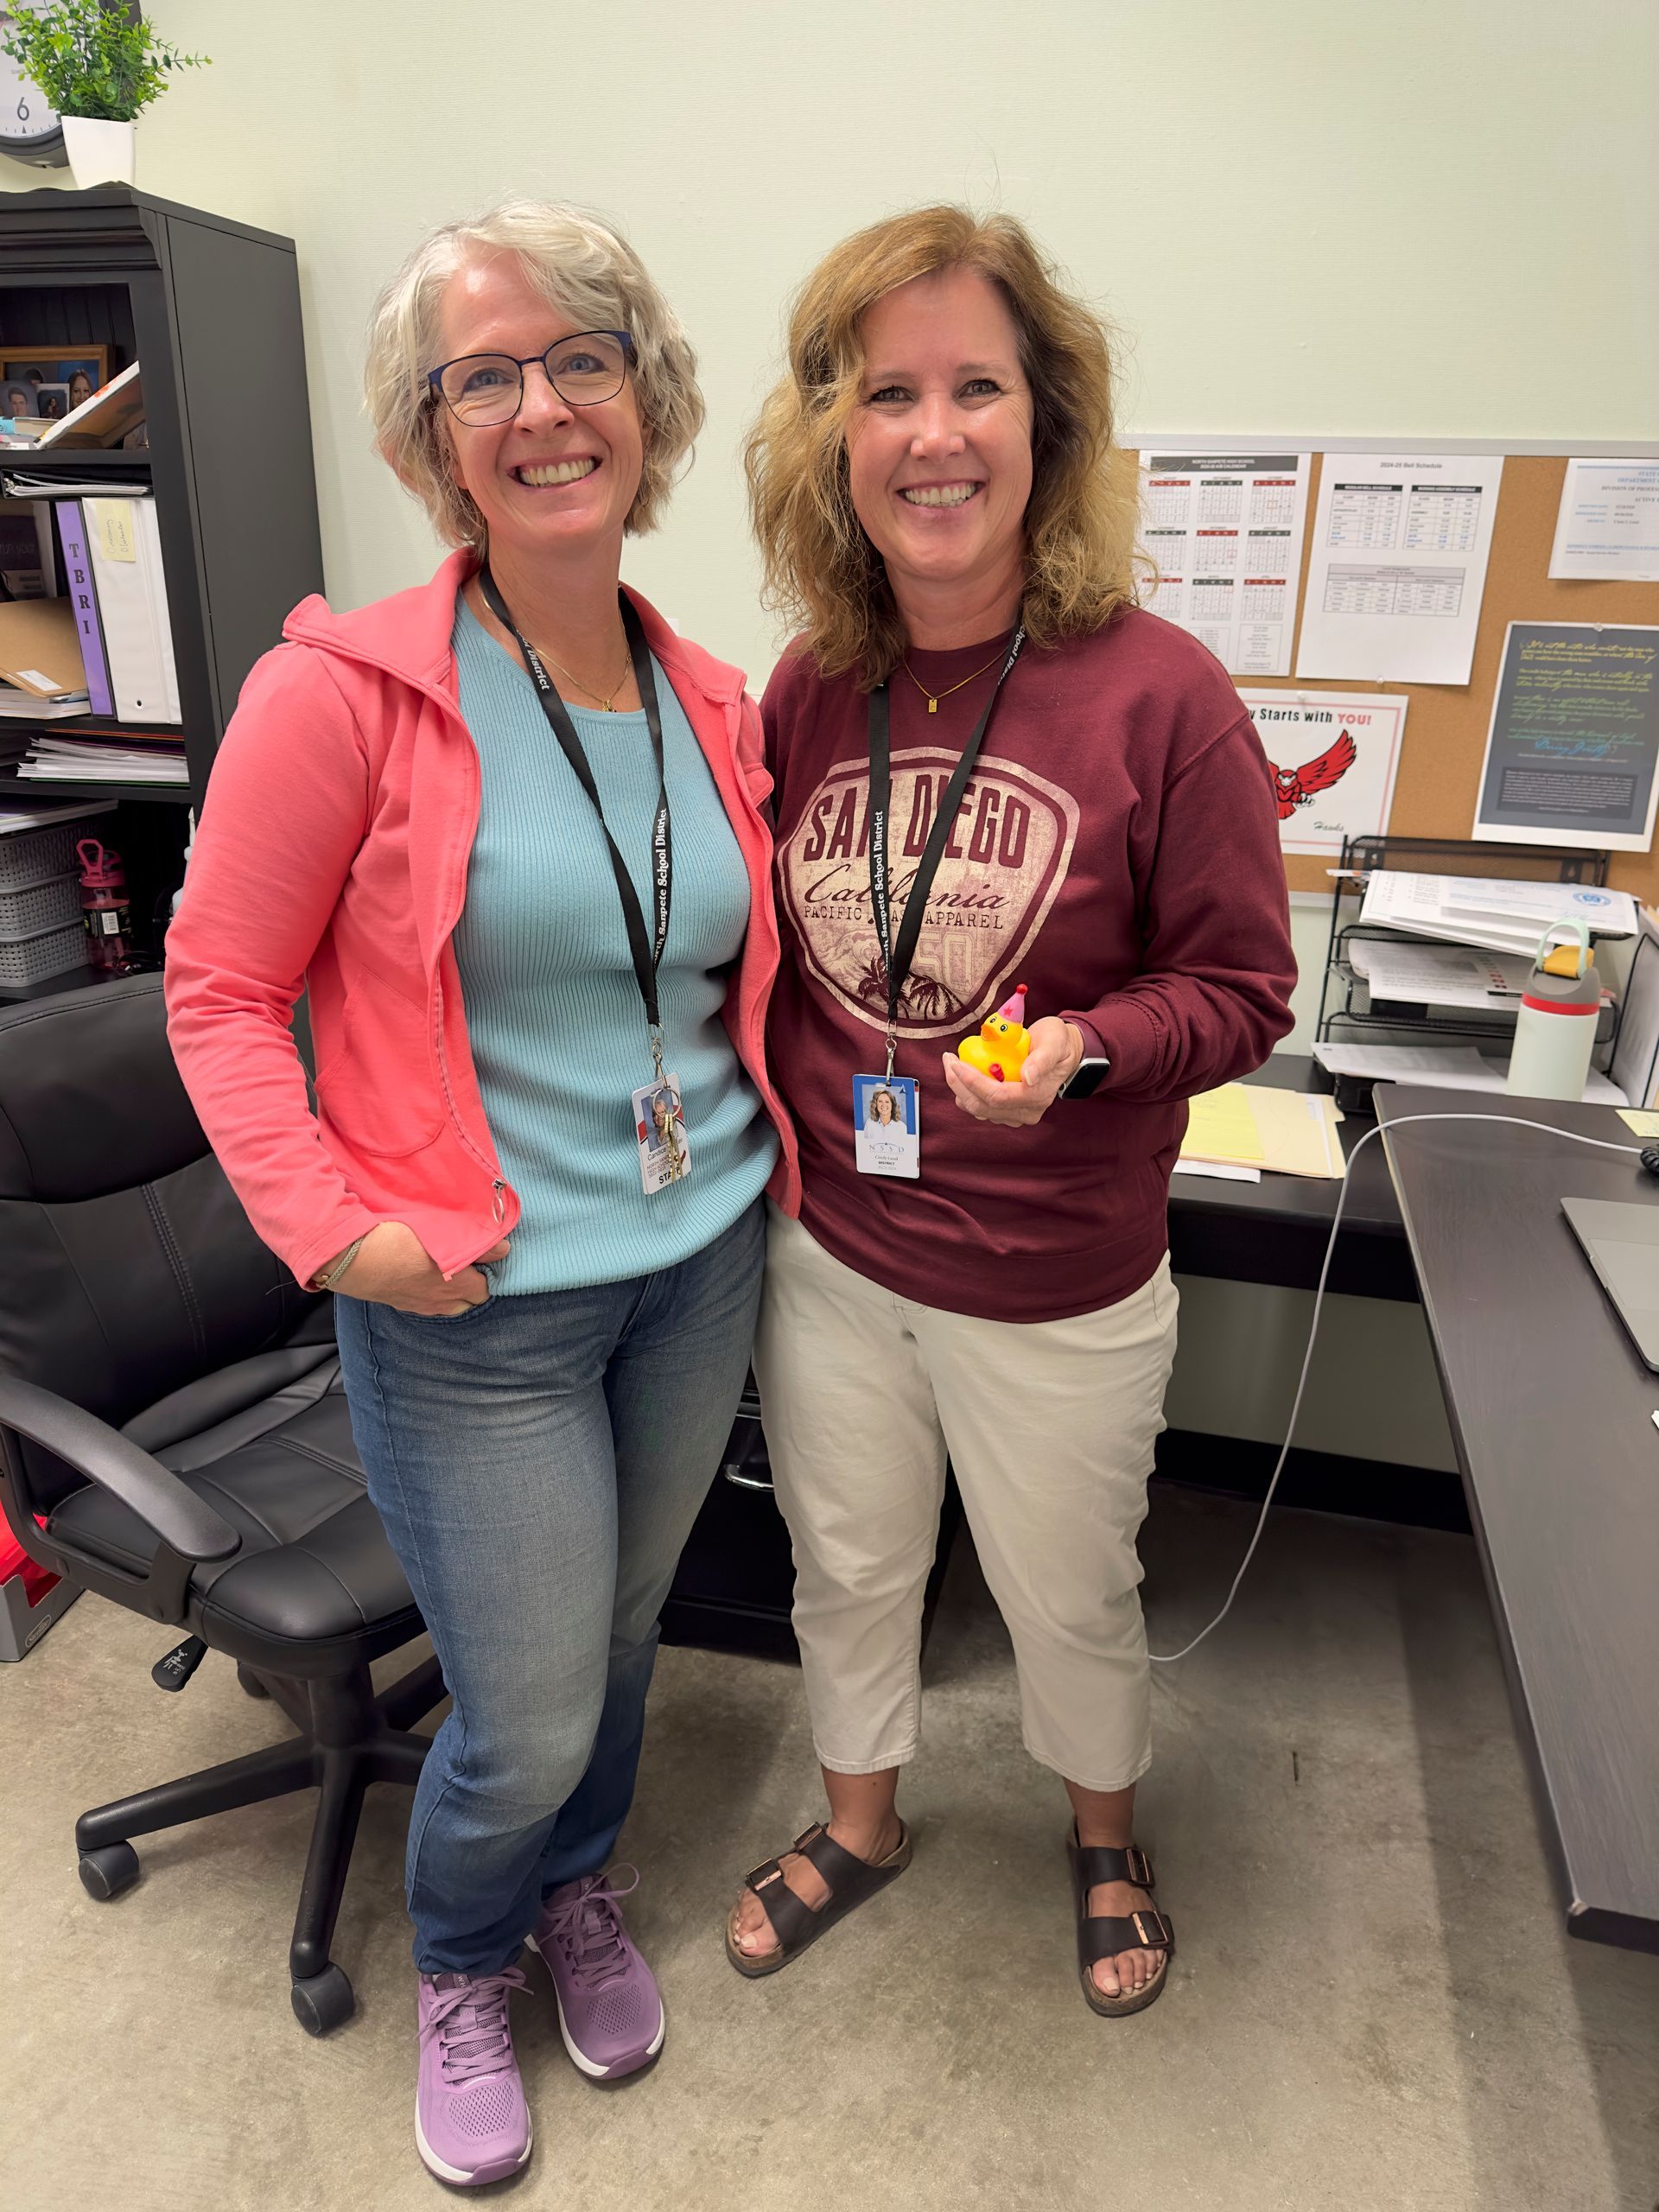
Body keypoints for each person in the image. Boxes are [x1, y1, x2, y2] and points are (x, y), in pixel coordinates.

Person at [166, 198, 798, 2186]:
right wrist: (325, 1226)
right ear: (436, 434)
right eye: (487, 374)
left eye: (582, 358)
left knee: (621, 1644)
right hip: (474, 1302)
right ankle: (461, 1952)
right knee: (518, 1705)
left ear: (647, 396)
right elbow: (215, 985)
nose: (542, 405)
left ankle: (574, 1891)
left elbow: (715, 969)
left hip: (696, 1261)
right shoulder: (342, 691)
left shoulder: (715, 702)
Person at [727, 207, 1295, 2017]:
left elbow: (1245, 986)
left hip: (1056, 1275)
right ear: (836, 439)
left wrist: (1098, 1045)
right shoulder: (814, 684)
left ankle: (1105, 1830)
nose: (934, 432)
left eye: (978, 385)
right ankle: (861, 1817)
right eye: (888, 391)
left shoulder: (1163, 694)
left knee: (1068, 1594)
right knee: (851, 1561)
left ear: (1045, 426)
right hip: (837, 1250)